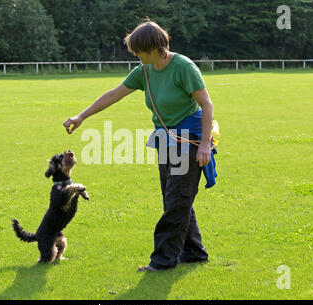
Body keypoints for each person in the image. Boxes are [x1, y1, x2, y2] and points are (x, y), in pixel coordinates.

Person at [63, 19, 216, 272]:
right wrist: (81, 116)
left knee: (177, 200)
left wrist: (204, 145)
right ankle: (194, 252)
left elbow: (206, 104)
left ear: (154, 48)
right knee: (174, 199)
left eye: (139, 51)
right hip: (166, 140)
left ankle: (163, 261)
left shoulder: (183, 67)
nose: (135, 55)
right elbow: (114, 94)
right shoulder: (144, 70)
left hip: (189, 140)